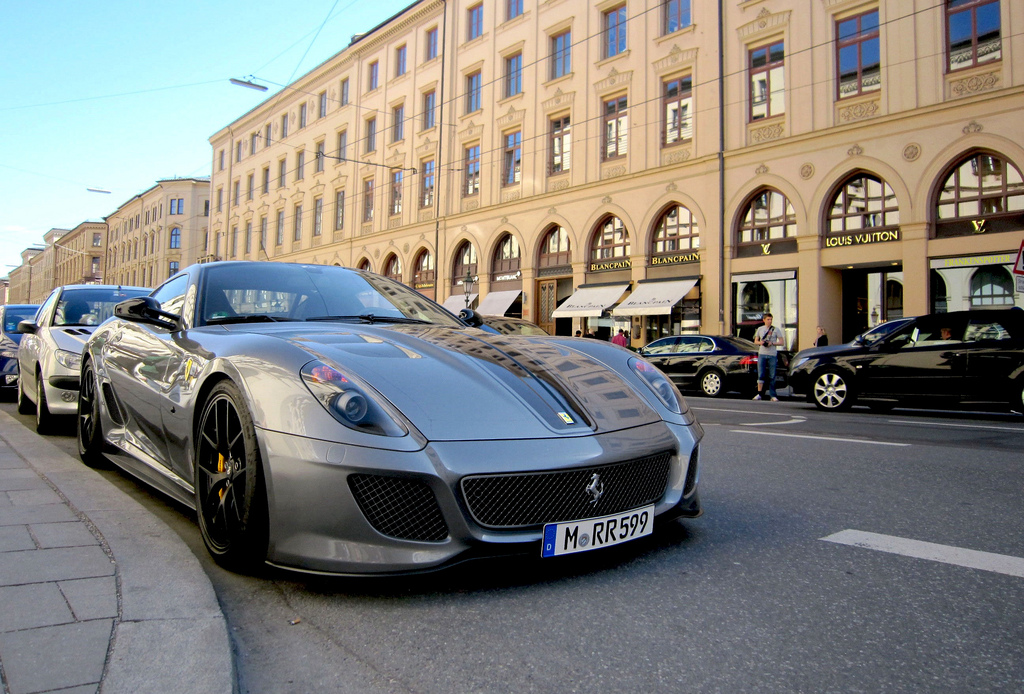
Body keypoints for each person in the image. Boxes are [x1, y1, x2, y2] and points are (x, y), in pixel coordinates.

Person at [753, 312, 784, 401]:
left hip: (772, 354)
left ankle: (773, 395)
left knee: (772, 375)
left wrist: (772, 343)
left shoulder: (776, 330)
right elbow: (756, 341)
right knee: (761, 374)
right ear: (764, 320)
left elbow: (782, 342)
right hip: (762, 353)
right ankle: (759, 394)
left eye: (771, 320)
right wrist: (761, 343)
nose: (769, 321)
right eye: (768, 319)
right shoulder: (760, 329)